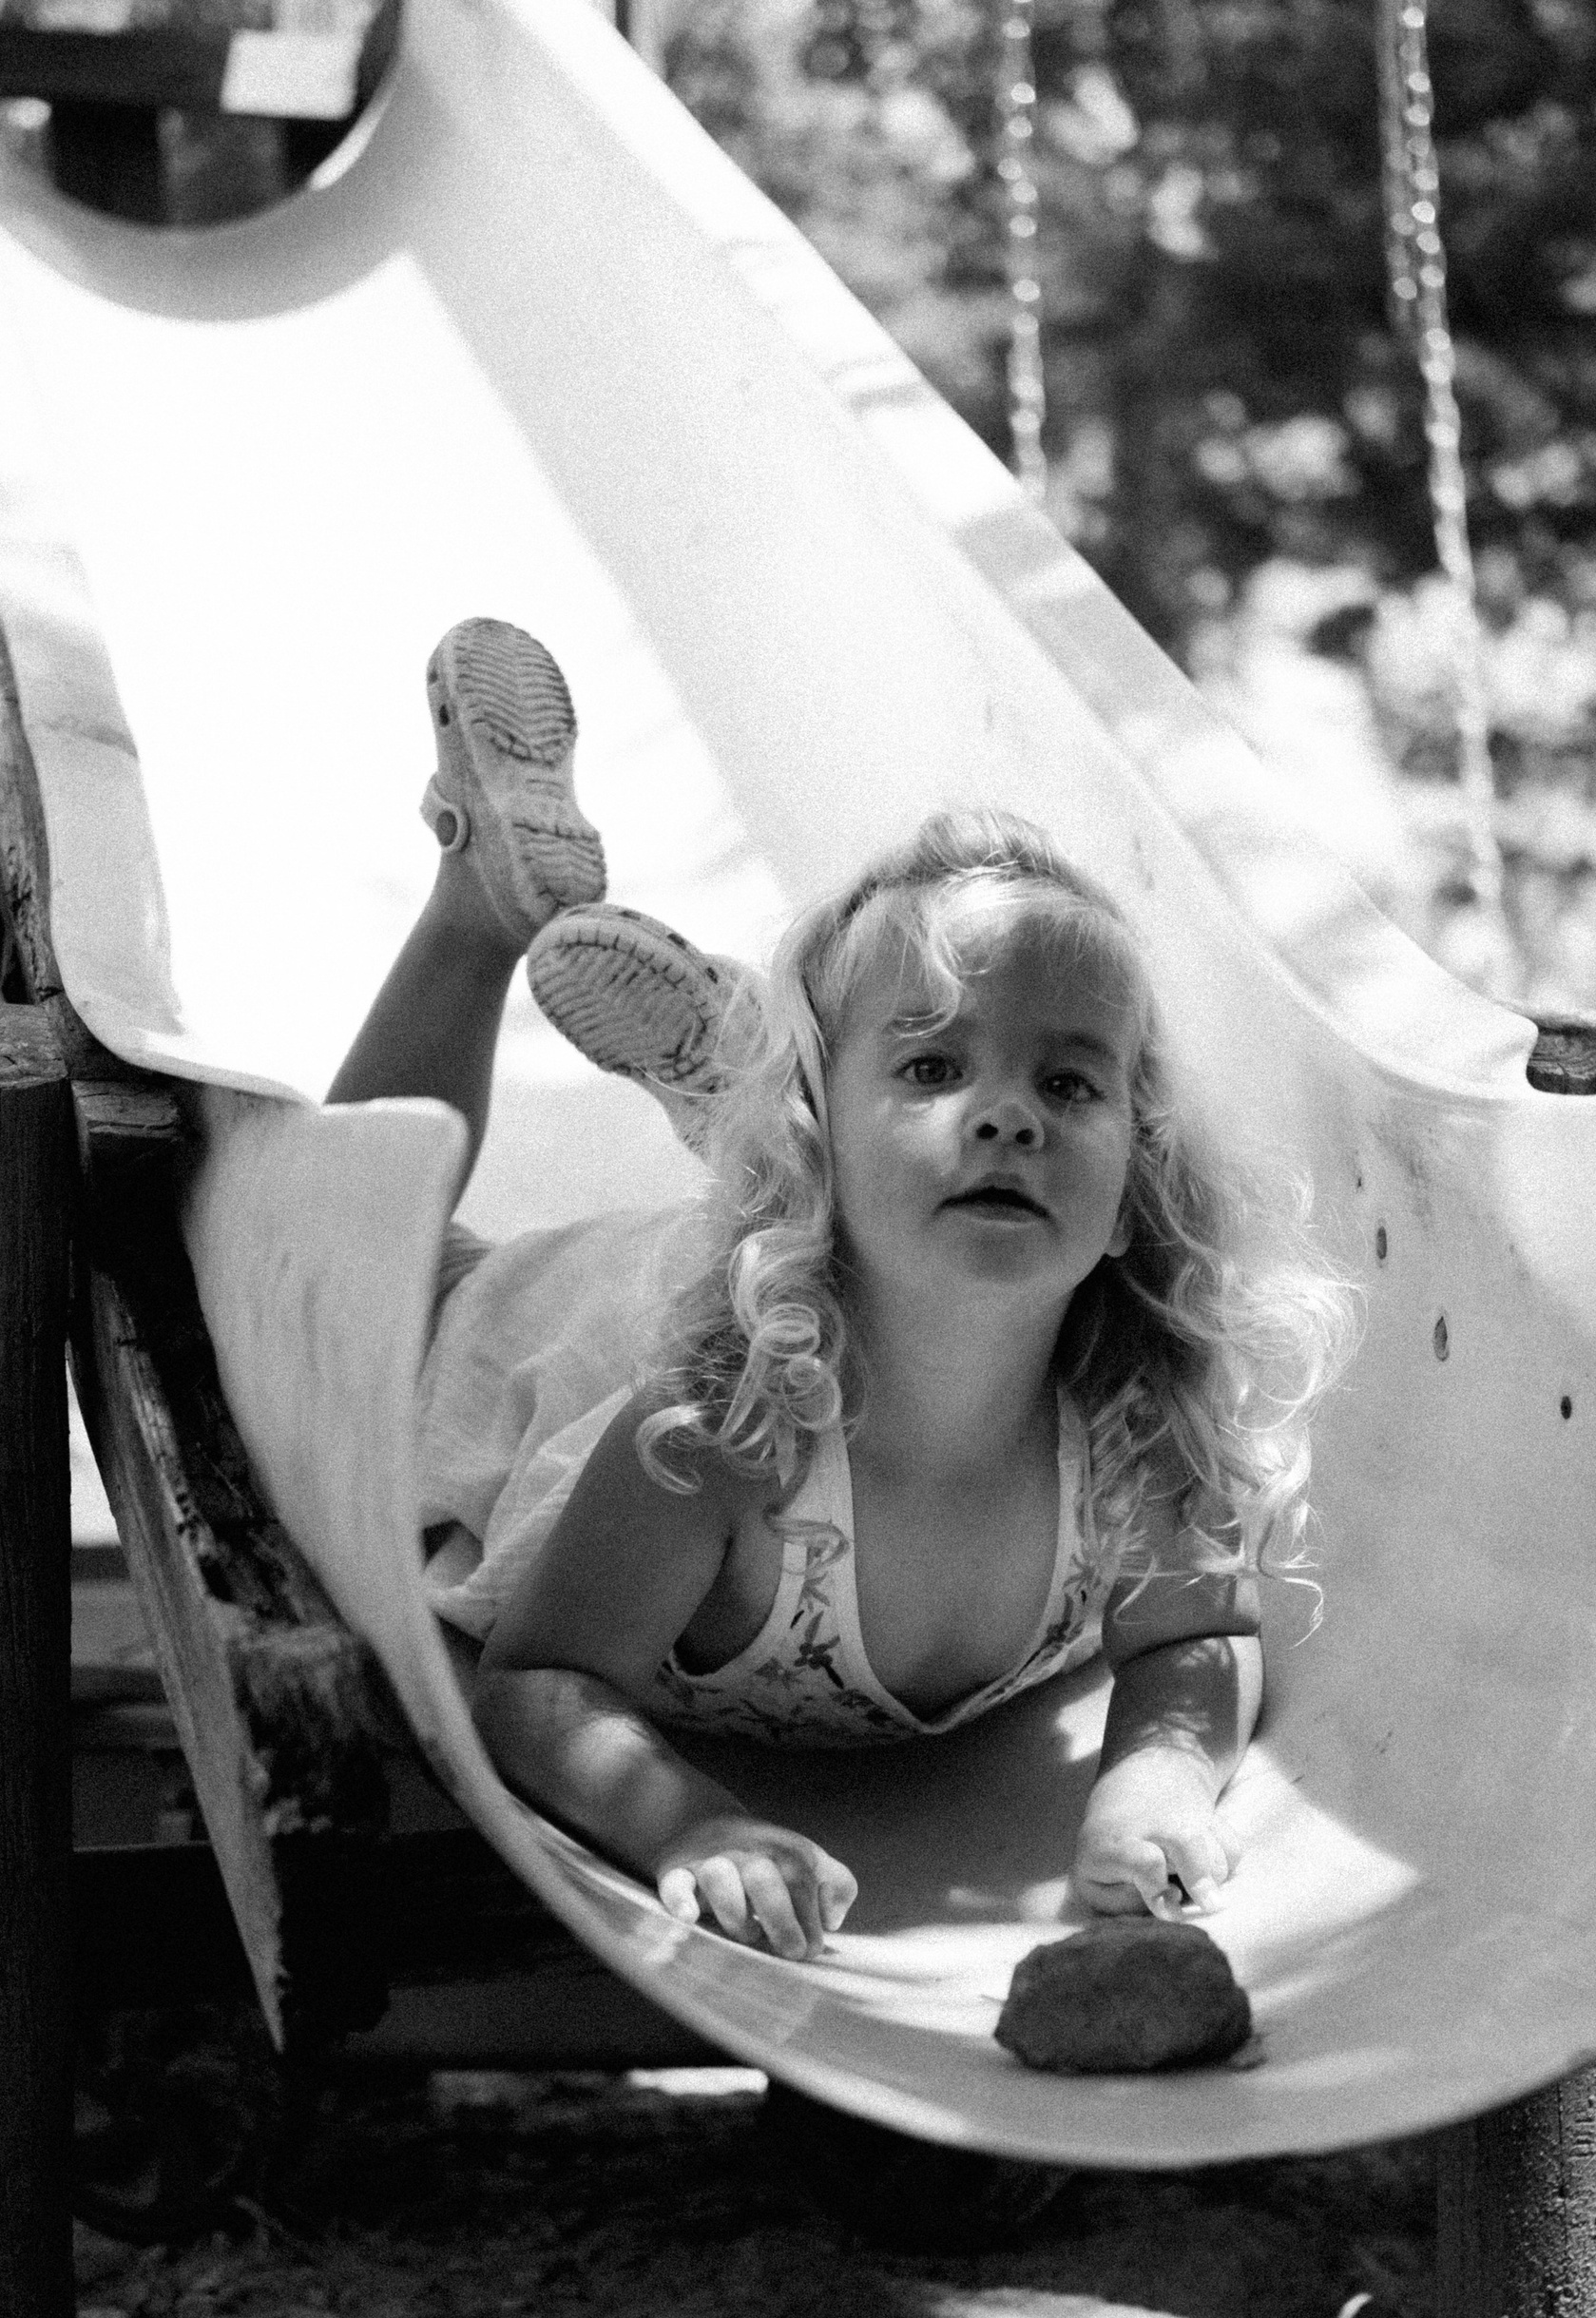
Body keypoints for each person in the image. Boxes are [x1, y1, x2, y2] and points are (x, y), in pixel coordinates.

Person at [333, 619, 1358, 1964]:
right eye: (938, 1069)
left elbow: (1198, 1638)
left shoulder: (1135, 1425)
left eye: (1068, 1083)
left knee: (788, 1227)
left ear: (1133, 1193)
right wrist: (692, 1825)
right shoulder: (715, 1441)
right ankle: (480, 914)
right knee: (357, 1256)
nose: (1011, 1115)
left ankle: (769, 1084)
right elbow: (540, 1682)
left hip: (773, 1260)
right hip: (552, 1338)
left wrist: (1151, 1787)